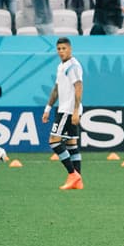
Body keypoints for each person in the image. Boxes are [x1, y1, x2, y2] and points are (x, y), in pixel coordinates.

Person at [42, 37, 84, 191]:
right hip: (64, 108)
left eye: (64, 48)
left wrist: (75, 110)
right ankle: (78, 181)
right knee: (71, 144)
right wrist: (48, 108)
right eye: (58, 49)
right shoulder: (61, 66)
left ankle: (72, 174)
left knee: (54, 141)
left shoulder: (73, 66)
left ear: (70, 49)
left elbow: (79, 87)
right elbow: (57, 88)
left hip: (68, 110)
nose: (61, 52)